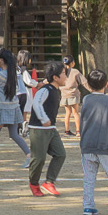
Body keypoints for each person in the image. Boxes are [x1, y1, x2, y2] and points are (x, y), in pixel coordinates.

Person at [77, 68, 108, 215]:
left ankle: (88, 206)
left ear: (89, 85)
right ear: (106, 84)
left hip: (87, 144)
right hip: (104, 144)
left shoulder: (86, 99)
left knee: (89, 176)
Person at [0, 47, 30, 168]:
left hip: (2, 108)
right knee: (14, 135)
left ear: (1, 61)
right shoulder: (13, 74)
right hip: (14, 107)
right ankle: (29, 155)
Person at [24, 62, 67, 196]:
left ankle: (49, 183)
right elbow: (36, 103)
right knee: (39, 158)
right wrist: (43, 119)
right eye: (64, 74)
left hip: (51, 129)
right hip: (38, 128)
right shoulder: (45, 90)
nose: (66, 77)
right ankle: (34, 183)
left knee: (60, 154)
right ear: (55, 77)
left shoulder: (56, 91)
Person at [57, 56, 85, 138]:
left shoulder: (60, 72)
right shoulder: (75, 71)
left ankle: (67, 130)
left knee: (67, 113)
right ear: (72, 63)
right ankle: (78, 131)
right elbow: (84, 82)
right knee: (76, 113)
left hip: (64, 95)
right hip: (73, 94)